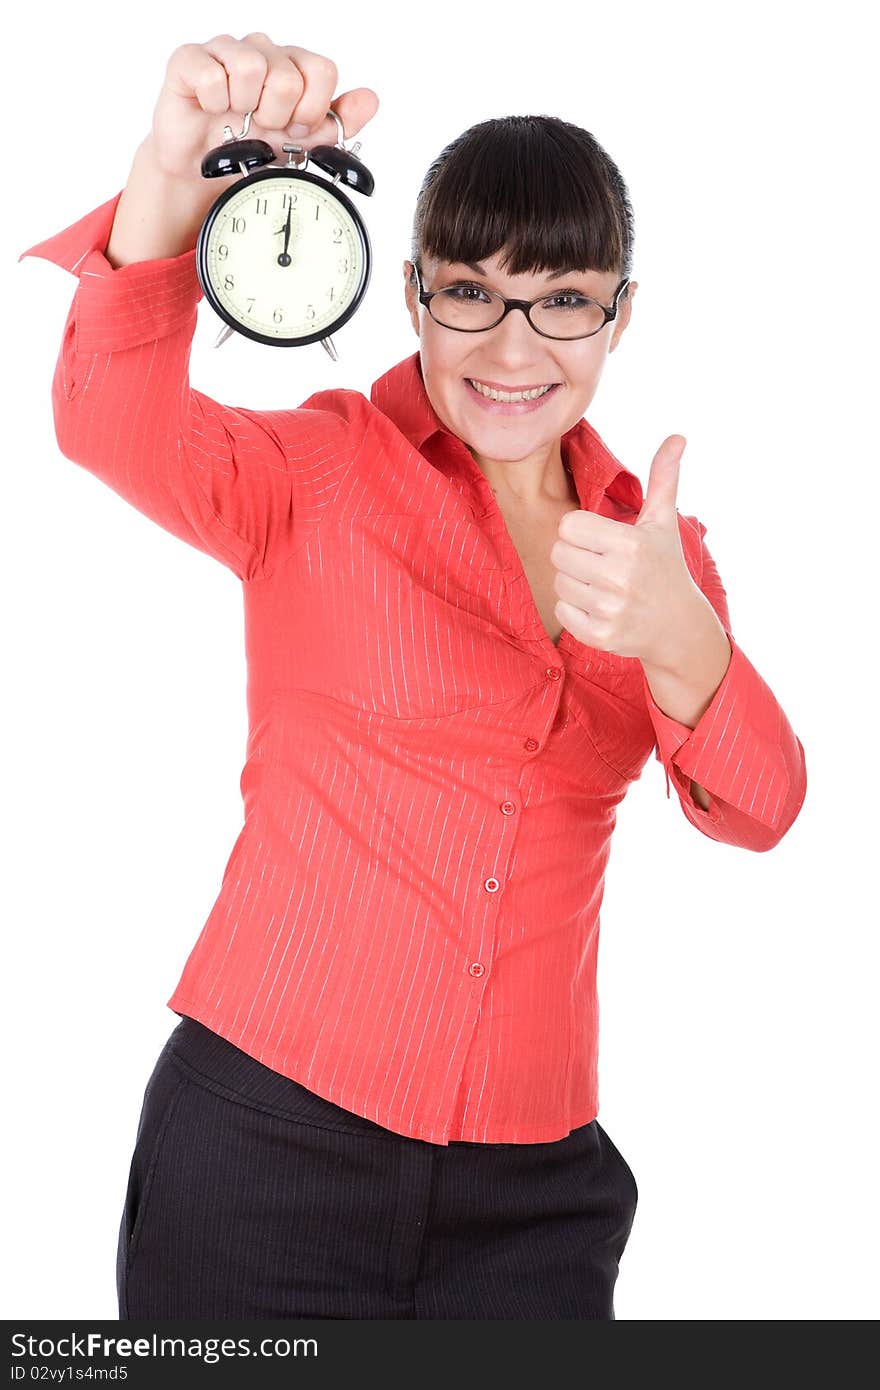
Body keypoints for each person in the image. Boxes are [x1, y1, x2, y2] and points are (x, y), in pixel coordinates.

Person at [19, 32, 807, 1321]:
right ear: (410, 294)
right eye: (469, 293)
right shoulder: (319, 472)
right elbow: (105, 420)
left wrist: (681, 638)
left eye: (563, 300)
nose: (513, 344)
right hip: (265, 1139)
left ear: (619, 312)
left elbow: (766, 810)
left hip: (536, 1193)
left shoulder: (655, 554)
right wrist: (171, 175)